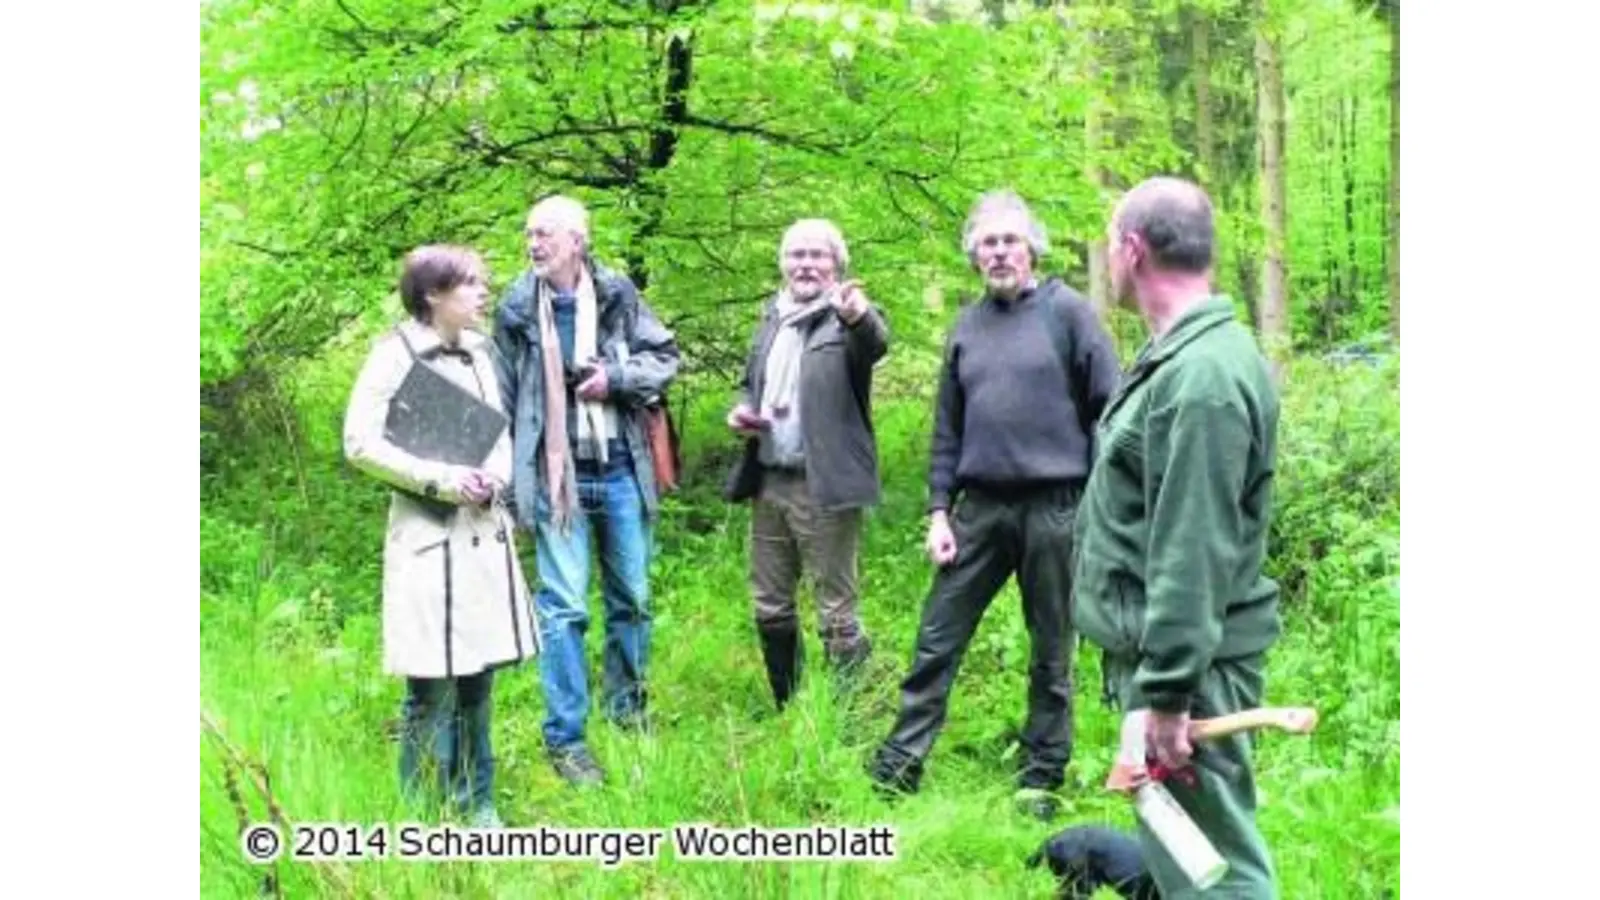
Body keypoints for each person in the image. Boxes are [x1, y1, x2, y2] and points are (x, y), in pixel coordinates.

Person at [867, 190, 1122, 819]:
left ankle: (1040, 778)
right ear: (973, 255)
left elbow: (1112, 414)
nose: (1000, 252)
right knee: (937, 636)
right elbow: (947, 431)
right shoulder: (966, 326)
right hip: (977, 509)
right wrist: (936, 511)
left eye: (1010, 240)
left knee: (1052, 649)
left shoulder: (1071, 315)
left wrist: (1104, 510)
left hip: (1056, 508)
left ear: (1032, 247)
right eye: (988, 242)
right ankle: (899, 765)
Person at [1071, 176, 1283, 896]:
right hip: (1170, 659)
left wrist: (1168, 694)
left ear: (1132, 250)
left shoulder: (1203, 379)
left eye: (1108, 244)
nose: (1108, 258)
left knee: (1215, 868)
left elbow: (1193, 550)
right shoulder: (1181, 357)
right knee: (1178, 856)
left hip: (1193, 669)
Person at [342, 244, 540, 828]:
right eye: (471, 284)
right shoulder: (392, 355)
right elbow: (360, 443)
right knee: (431, 686)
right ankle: (421, 815)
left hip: (484, 534)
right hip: (429, 542)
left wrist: (493, 478)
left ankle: (477, 803)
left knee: (479, 678)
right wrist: (444, 479)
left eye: (483, 283)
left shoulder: (481, 352)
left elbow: (498, 434)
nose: (484, 294)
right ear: (434, 295)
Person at [490, 195, 681, 787]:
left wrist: (614, 379)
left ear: (578, 239)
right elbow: (499, 392)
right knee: (565, 608)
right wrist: (500, 477)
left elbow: (665, 357)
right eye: (528, 234)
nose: (533, 244)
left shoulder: (619, 294)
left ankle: (628, 713)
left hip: (622, 469)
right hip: (557, 478)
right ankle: (567, 738)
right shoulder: (517, 306)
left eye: (544, 233)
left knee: (633, 600)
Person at [723, 218, 889, 710]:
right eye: (797, 254)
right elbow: (747, 381)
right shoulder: (770, 318)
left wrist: (857, 314)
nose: (806, 264)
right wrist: (740, 411)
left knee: (837, 611)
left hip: (826, 486)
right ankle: (790, 708)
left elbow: (875, 343)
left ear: (837, 265)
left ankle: (847, 720)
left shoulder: (847, 316)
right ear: (783, 263)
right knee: (769, 604)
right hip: (768, 480)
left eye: (818, 255)